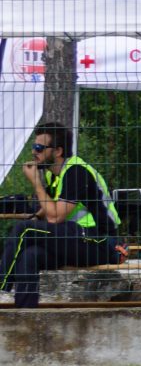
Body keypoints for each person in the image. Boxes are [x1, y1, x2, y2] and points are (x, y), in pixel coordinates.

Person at [7, 120, 119, 307]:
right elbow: (48, 210)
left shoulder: (76, 171)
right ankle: (25, 316)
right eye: (34, 147)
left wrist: (36, 183)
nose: (34, 152)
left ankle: (2, 287)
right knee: (30, 255)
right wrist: (35, 217)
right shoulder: (54, 174)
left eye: (39, 148)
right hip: (75, 238)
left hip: (100, 241)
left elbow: (54, 216)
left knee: (24, 229)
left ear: (57, 151)